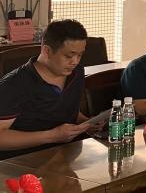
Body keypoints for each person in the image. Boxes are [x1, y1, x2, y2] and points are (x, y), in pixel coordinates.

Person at [0, 20, 102, 160]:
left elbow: (66, 109)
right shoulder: (13, 85)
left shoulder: (76, 72)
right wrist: (52, 136)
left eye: (80, 55)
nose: (75, 61)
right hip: (22, 162)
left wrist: (86, 123)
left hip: (66, 155)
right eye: (69, 56)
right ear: (47, 51)